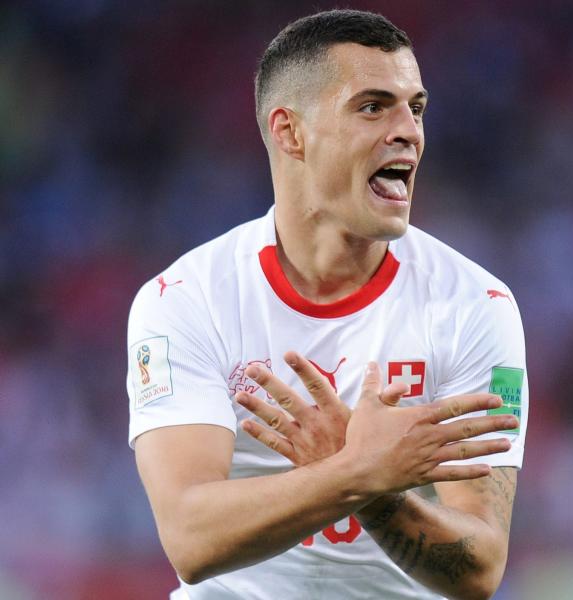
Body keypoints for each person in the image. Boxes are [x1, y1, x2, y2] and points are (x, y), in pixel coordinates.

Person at [126, 9, 528, 600]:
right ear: (290, 132)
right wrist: (358, 469)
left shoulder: (479, 305)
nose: (408, 131)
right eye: (373, 106)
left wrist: (363, 481)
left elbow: (480, 569)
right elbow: (191, 540)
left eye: (415, 108)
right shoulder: (184, 301)